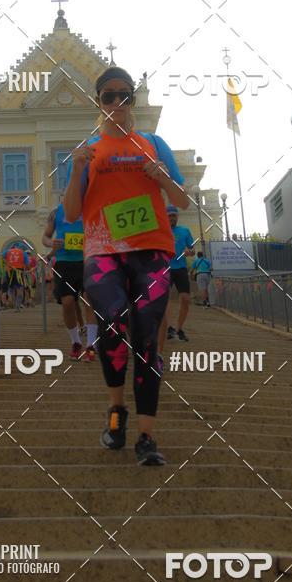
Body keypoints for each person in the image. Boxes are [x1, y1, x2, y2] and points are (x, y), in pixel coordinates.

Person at [64, 66, 188, 466]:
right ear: (98, 101)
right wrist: (78, 169)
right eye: (108, 96)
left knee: (148, 336)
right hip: (103, 253)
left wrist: (164, 178)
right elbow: (69, 212)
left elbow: (183, 201)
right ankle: (116, 409)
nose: (117, 103)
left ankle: (147, 436)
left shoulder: (153, 143)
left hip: (151, 249)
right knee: (113, 319)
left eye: (125, 96)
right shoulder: (89, 149)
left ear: (133, 100)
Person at [42, 199, 98, 361]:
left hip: (87, 260)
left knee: (89, 301)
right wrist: (52, 243)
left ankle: (91, 345)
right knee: (67, 303)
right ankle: (76, 342)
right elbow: (45, 237)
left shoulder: (89, 207)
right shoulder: (56, 212)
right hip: (64, 263)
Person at [163, 207, 195, 344]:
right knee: (164, 299)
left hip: (181, 268)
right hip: (165, 268)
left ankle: (179, 329)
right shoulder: (161, 231)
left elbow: (193, 249)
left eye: (174, 215)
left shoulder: (185, 230)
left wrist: (190, 252)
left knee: (186, 299)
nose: (172, 218)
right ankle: (169, 328)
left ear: (177, 216)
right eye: (169, 216)